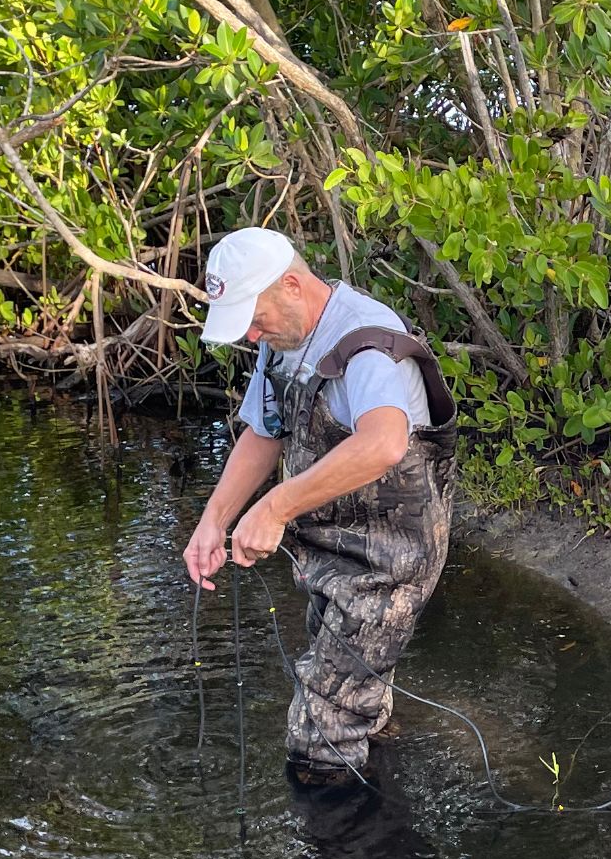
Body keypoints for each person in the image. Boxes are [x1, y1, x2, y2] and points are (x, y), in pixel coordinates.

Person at [181, 228, 457, 786]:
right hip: (329, 553)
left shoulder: (369, 342)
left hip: (390, 564)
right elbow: (263, 432)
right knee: (358, 706)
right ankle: (382, 829)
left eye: (255, 320)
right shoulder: (280, 339)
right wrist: (213, 521)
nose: (252, 335)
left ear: (290, 284)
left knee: (318, 738)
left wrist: (276, 506)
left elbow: (384, 442)